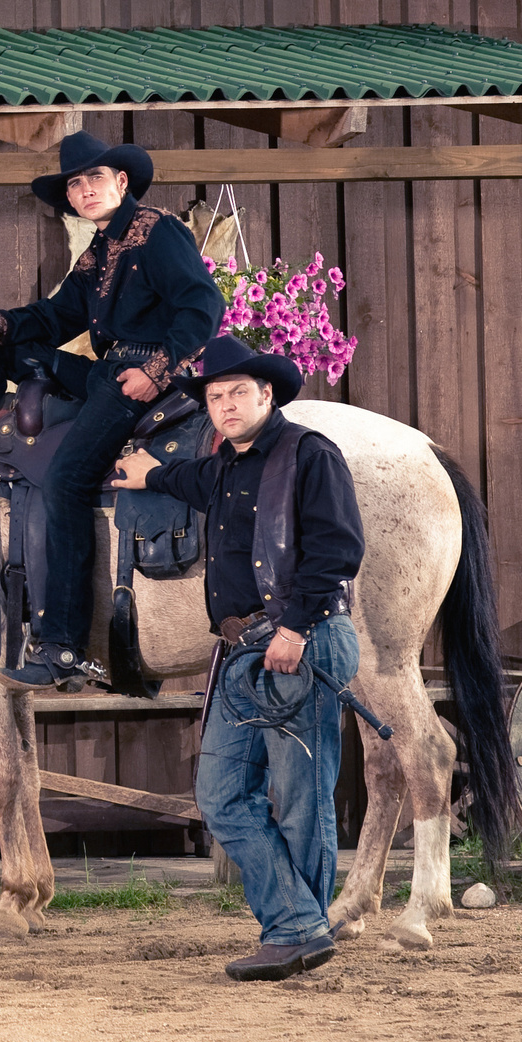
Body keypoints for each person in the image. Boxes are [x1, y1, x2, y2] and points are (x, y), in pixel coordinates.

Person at [0, 128, 223, 690]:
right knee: (3, 344)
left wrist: (158, 369)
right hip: (107, 372)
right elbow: (52, 318)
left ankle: (61, 645)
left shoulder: (156, 231)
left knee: (65, 480)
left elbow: (203, 303)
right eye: (75, 184)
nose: (85, 190)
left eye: (94, 178)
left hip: (145, 376)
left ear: (120, 180)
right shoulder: (96, 254)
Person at [113, 335, 365, 982]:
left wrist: (296, 628)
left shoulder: (310, 454)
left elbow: (339, 548)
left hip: (298, 644)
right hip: (241, 653)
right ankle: (301, 924)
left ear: (267, 393)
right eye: (215, 396)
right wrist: (150, 473)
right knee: (221, 793)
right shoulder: (225, 466)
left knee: (302, 797)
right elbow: (186, 479)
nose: (224, 405)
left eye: (236, 393)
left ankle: (295, 934)